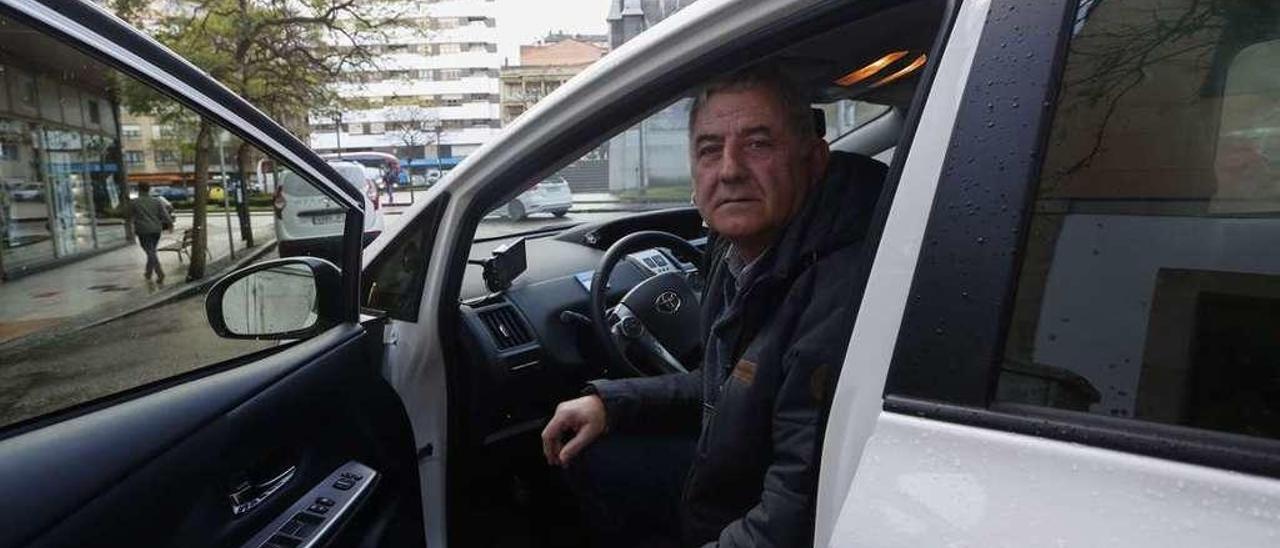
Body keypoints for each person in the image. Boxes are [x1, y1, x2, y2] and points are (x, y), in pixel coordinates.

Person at [540, 64, 888, 547]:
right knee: (591, 454)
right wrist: (611, 402)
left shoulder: (840, 284)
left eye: (758, 144)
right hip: (727, 476)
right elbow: (727, 385)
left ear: (814, 160)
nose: (729, 169)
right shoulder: (738, 251)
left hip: (749, 508)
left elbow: (797, 509)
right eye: (709, 150)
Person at [125, 182, 174, 283]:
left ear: (139, 189)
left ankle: (159, 272)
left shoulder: (134, 202)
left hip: (143, 230)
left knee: (150, 252)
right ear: (149, 189)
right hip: (156, 230)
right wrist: (170, 224)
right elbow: (165, 215)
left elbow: (128, 216)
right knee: (151, 251)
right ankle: (148, 273)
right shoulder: (156, 201)